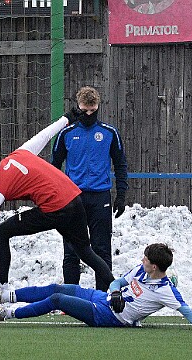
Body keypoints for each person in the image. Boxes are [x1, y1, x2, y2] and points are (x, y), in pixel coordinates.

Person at [0, 116, 115, 289]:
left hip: (54, 209)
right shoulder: (20, 153)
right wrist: (67, 118)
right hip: (75, 199)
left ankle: (2, 288)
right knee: (86, 251)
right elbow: (44, 135)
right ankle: (116, 289)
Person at [0, 243, 192, 331]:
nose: (142, 261)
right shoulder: (141, 271)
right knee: (62, 287)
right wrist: (116, 291)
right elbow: (117, 281)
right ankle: (6, 295)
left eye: (146, 260)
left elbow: (185, 309)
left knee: (58, 299)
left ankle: (7, 314)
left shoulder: (166, 290)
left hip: (110, 316)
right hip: (103, 298)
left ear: (155, 266)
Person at [51, 86, 128, 291]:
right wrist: (55, 197)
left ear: (98, 107)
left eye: (93, 111)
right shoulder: (66, 133)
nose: (89, 115)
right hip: (72, 198)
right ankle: (71, 297)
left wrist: (121, 195)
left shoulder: (109, 133)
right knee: (71, 250)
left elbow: (120, 164)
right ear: (78, 108)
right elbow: (53, 167)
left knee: (102, 249)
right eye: (85, 111)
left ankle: (103, 297)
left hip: (100, 197)